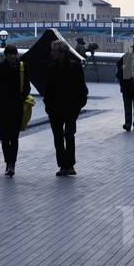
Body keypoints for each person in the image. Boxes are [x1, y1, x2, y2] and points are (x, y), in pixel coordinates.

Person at [43, 40, 88, 176]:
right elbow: (47, 90)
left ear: (62, 53)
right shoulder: (50, 68)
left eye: (54, 51)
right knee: (58, 138)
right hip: (55, 109)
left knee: (69, 135)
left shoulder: (75, 67)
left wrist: (79, 104)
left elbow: (82, 87)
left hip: (71, 108)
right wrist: (48, 105)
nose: (52, 53)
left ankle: (70, 165)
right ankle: (63, 165)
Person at [0, 45, 30, 177]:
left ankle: (12, 164)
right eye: (10, 54)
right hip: (2, 106)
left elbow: (27, 87)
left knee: (14, 136)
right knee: (4, 137)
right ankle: (8, 163)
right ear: (5, 55)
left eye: (14, 54)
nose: (12, 56)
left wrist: (20, 99)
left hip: (16, 106)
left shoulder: (22, 67)